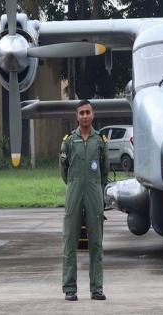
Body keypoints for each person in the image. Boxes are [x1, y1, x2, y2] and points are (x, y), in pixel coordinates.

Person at [59, 99, 109, 301]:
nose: (85, 116)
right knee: (70, 241)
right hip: (74, 192)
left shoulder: (100, 141)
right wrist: (74, 184)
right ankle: (70, 288)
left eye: (88, 112)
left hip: (94, 193)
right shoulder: (69, 141)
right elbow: (63, 170)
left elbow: (104, 171)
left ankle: (96, 288)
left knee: (96, 243)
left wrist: (95, 186)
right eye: (82, 113)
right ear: (77, 116)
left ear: (93, 115)